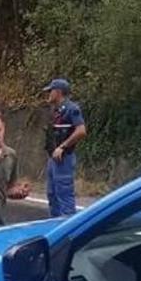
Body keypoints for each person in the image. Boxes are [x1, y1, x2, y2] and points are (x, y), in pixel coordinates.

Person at [43, 78, 87, 217]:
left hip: (64, 158)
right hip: (53, 158)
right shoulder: (56, 110)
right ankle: (54, 225)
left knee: (64, 194)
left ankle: (68, 228)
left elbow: (81, 131)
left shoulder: (71, 109)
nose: (48, 94)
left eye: (51, 91)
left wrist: (62, 147)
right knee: (52, 193)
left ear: (58, 92)